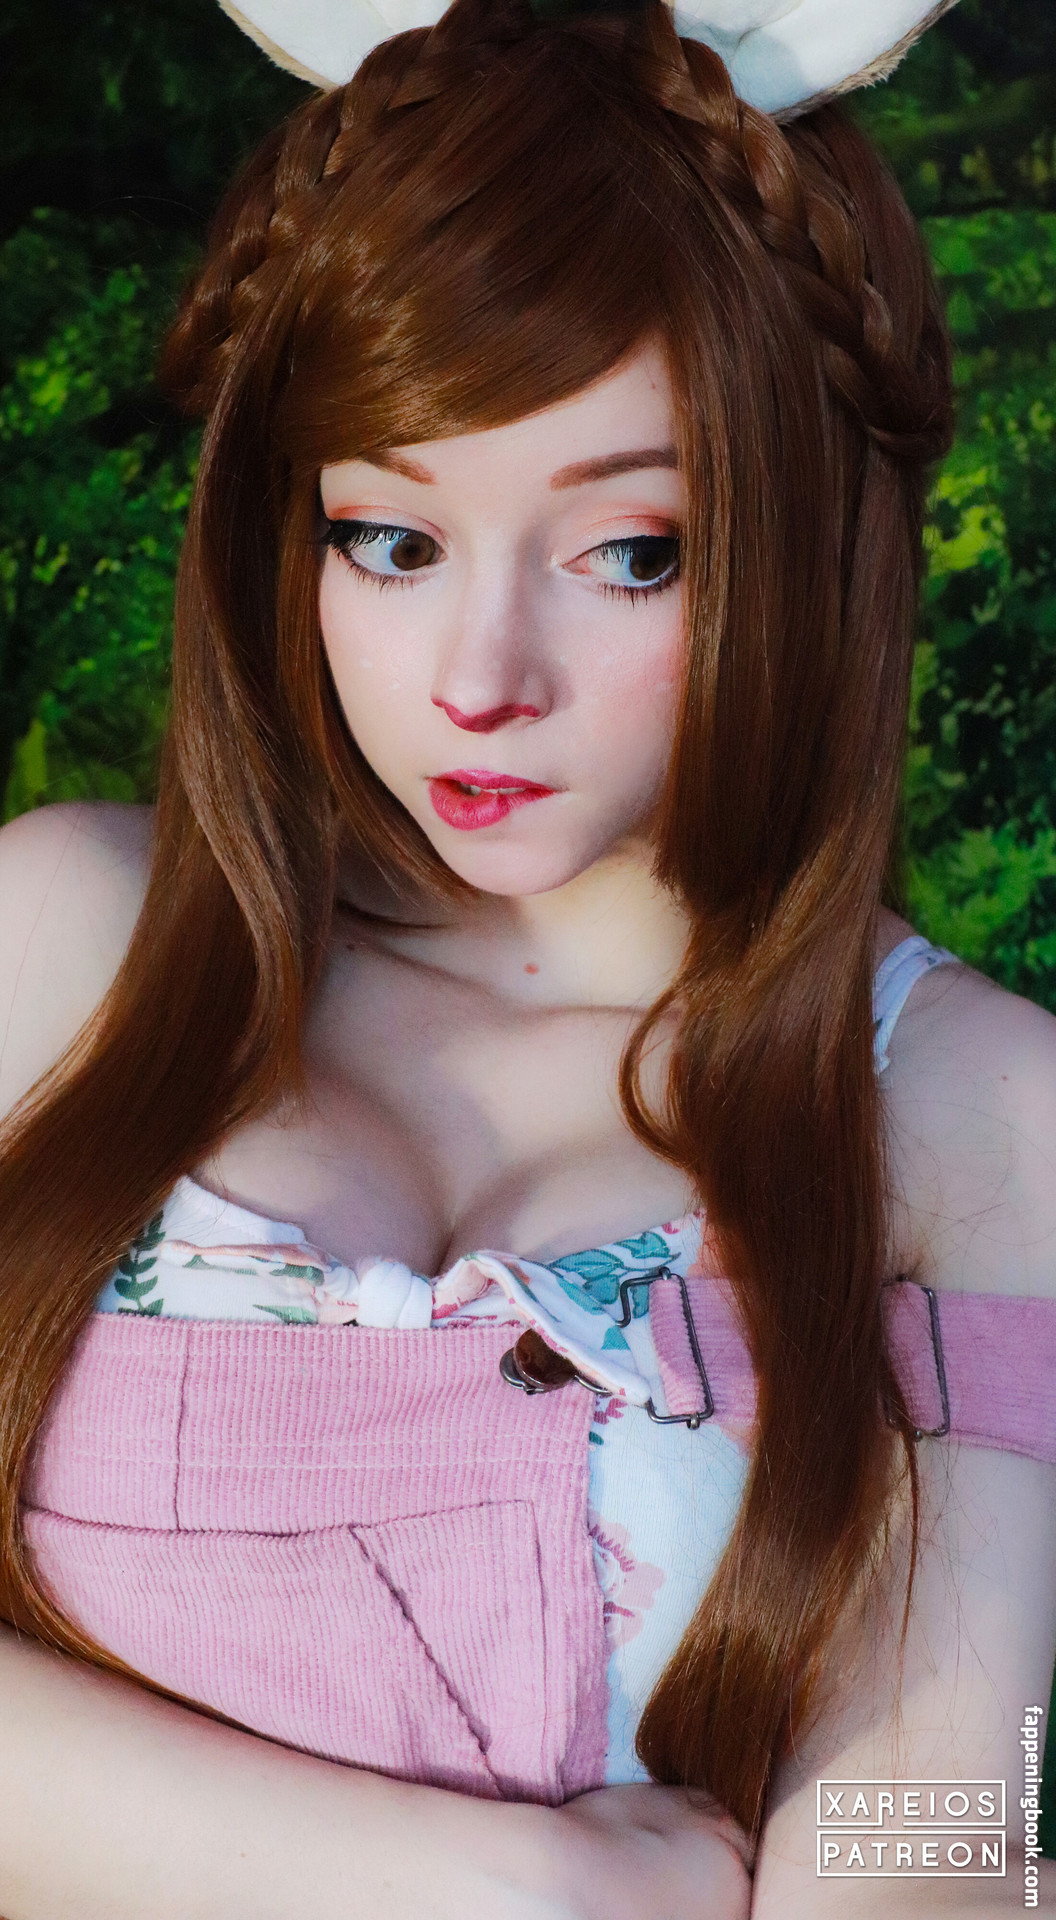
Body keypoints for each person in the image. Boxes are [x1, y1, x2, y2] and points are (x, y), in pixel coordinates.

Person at [1, 0, 1055, 1913]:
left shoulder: (980, 1113)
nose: (478, 680)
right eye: (390, 540)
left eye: (628, 552)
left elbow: (943, 1842)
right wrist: (503, 1893)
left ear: (813, 535)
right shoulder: (69, 943)